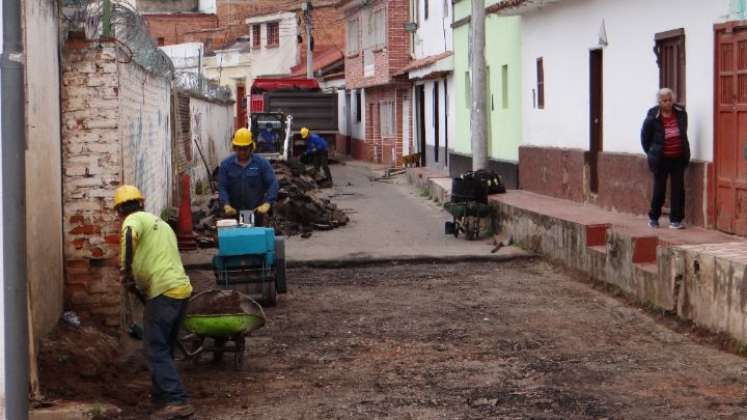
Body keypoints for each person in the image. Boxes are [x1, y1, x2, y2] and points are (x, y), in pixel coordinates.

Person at [114, 185, 195, 419]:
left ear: (120, 210)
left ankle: (177, 400)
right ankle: (161, 400)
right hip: (180, 289)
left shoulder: (133, 221)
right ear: (141, 202)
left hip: (164, 292)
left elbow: (129, 235)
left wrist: (125, 271)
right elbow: (155, 258)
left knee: (154, 349)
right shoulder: (160, 224)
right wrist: (137, 283)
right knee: (164, 348)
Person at [641, 88, 691, 229]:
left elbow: (683, 133)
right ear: (659, 102)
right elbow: (645, 138)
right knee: (659, 189)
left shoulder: (681, 114)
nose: (668, 103)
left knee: (678, 190)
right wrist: (652, 152)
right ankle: (654, 217)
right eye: (664, 100)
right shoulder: (652, 117)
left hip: (678, 158)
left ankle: (675, 220)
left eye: (670, 100)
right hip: (661, 159)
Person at [218, 128, 279, 226]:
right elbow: (222, 187)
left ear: (251, 147)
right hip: (233, 212)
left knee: (251, 237)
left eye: (245, 149)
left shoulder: (261, 163)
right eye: (239, 149)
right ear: (234, 147)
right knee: (236, 239)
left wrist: (268, 203)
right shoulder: (226, 165)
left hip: (255, 212)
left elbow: (272, 183)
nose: (242, 152)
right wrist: (226, 204)